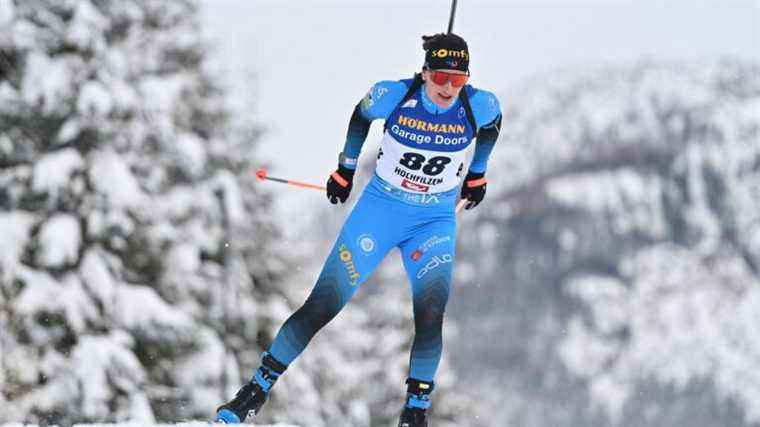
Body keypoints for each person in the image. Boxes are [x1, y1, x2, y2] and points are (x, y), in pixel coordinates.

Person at [216, 32, 501, 427]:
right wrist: (345, 168)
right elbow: (360, 116)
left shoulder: (480, 105)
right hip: (381, 212)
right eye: (440, 78)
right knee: (323, 305)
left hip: (433, 220)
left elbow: (492, 126)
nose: (448, 89)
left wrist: (478, 174)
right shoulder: (393, 95)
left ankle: (415, 413)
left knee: (431, 314)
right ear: (424, 73)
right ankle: (255, 391)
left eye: (458, 81)